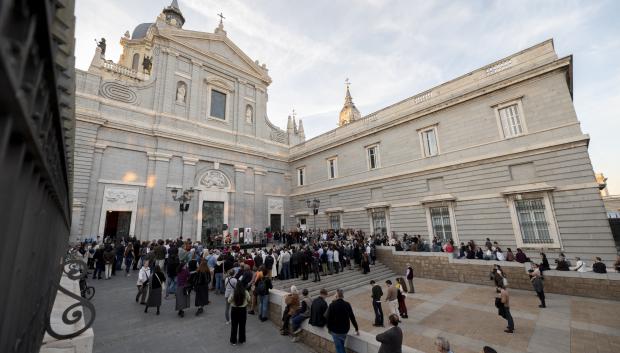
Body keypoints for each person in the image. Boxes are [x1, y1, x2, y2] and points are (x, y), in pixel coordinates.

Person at [326, 288, 359, 353]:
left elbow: (328, 318)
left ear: (336, 296)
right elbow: (352, 317)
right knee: (341, 345)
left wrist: (329, 328)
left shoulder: (332, 305)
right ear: (342, 296)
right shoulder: (347, 304)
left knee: (339, 348)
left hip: (335, 330)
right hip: (345, 330)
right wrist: (356, 328)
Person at [228, 281, 251, 346]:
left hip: (234, 310)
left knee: (234, 326)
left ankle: (233, 341)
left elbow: (229, 300)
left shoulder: (233, 292)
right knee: (242, 325)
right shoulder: (245, 292)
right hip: (243, 310)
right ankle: (242, 339)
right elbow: (249, 299)